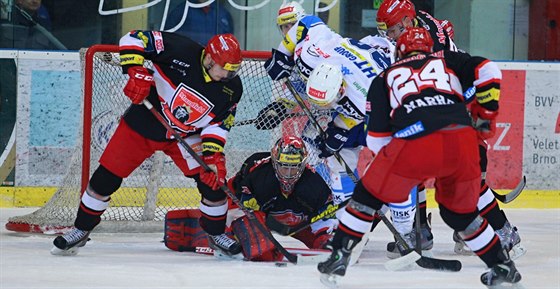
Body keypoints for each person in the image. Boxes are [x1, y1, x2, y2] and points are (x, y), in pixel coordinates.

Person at [318, 27, 522, 288]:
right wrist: (486, 115)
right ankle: (502, 265)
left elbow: (376, 140)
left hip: (415, 141)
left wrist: (397, 174)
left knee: (365, 198)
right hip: (463, 141)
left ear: (397, 51)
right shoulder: (448, 61)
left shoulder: (385, 77)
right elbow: (489, 70)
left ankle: (339, 256)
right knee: (460, 216)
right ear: (429, 49)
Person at [51, 31, 244, 257]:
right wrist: (136, 71)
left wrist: (213, 157)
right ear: (210, 59)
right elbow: (133, 38)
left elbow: (217, 125)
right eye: (226, 67)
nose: (230, 73)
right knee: (106, 178)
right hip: (144, 123)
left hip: (186, 136)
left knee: (213, 183)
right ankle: (81, 229)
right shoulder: (179, 48)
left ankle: (216, 234)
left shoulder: (232, 89)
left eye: (235, 69)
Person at [374, 0, 523, 259]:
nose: (389, 36)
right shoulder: (415, 26)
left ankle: (501, 230)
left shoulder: (430, 43)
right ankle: (420, 231)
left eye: (393, 30)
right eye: (386, 30)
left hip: (463, 101)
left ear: (408, 22)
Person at [228, 136, 336, 255]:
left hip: (297, 224)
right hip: (263, 217)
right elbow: (234, 189)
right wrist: (245, 198)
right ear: (274, 162)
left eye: (294, 167)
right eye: (284, 167)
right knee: (252, 232)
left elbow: (325, 214)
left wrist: (325, 230)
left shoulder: (314, 183)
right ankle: (225, 235)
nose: (288, 174)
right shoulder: (259, 173)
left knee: (326, 243)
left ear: (303, 165)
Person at [165, 0, 233, 46]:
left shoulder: (223, 13)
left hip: (215, 61)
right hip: (189, 58)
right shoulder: (182, 10)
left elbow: (228, 41)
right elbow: (168, 37)